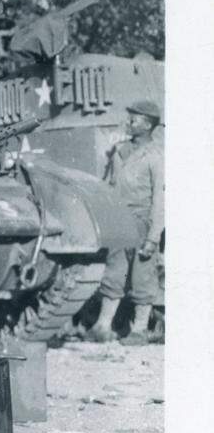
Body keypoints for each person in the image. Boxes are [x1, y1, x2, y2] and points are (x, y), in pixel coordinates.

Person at [89, 100, 165, 344]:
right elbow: (109, 186)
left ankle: (139, 331)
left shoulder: (156, 156)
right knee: (114, 272)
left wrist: (154, 236)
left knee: (143, 276)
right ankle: (102, 326)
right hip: (119, 221)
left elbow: (160, 200)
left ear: (147, 124)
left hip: (142, 222)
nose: (129, 122)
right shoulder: (119, 151)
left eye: (135, 118)